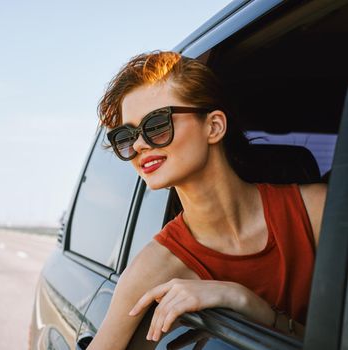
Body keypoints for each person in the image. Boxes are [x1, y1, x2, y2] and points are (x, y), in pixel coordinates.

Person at [88, 51, 327, 349]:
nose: (138, 144)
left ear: (213, 126)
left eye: (156, 125)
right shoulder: (152, 269)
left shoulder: (319, 212)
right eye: (126, 135)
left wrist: (240, 299)